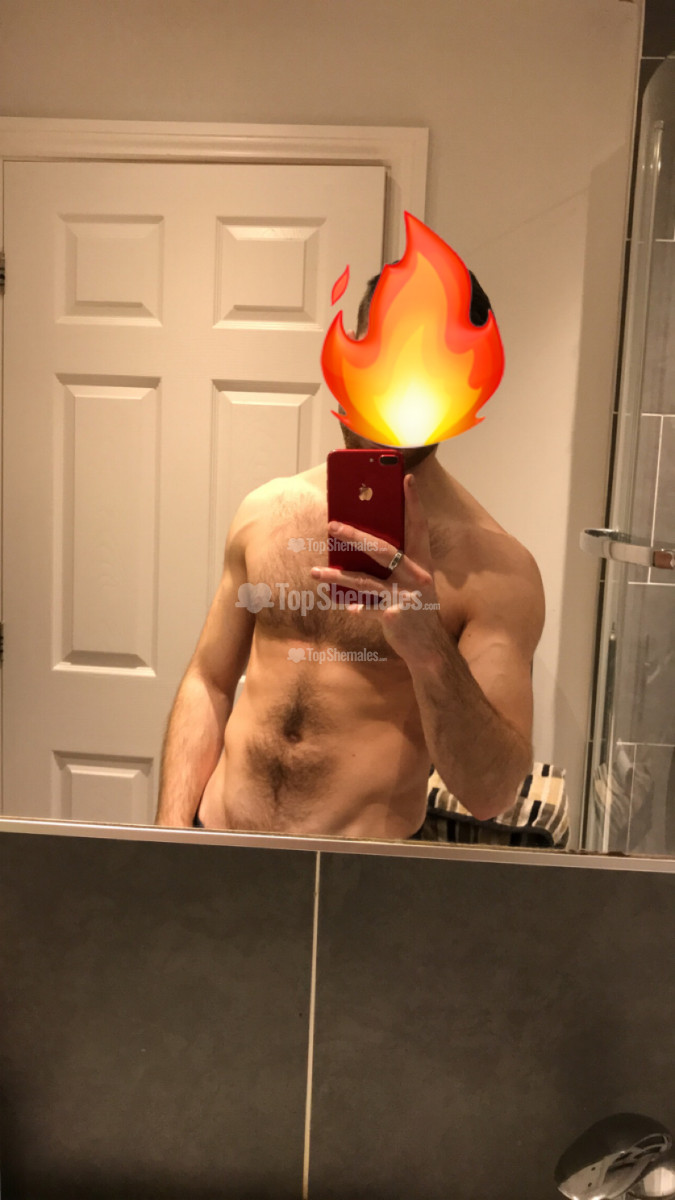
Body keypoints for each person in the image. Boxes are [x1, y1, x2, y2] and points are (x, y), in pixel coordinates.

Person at [155, 268, 545, 838]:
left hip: (356, 877)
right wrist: (170, 831)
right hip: (220, 845)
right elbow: (209, 682)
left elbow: (490, 792)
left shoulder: (498, 572)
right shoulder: (266, 512)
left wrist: (429, 648)